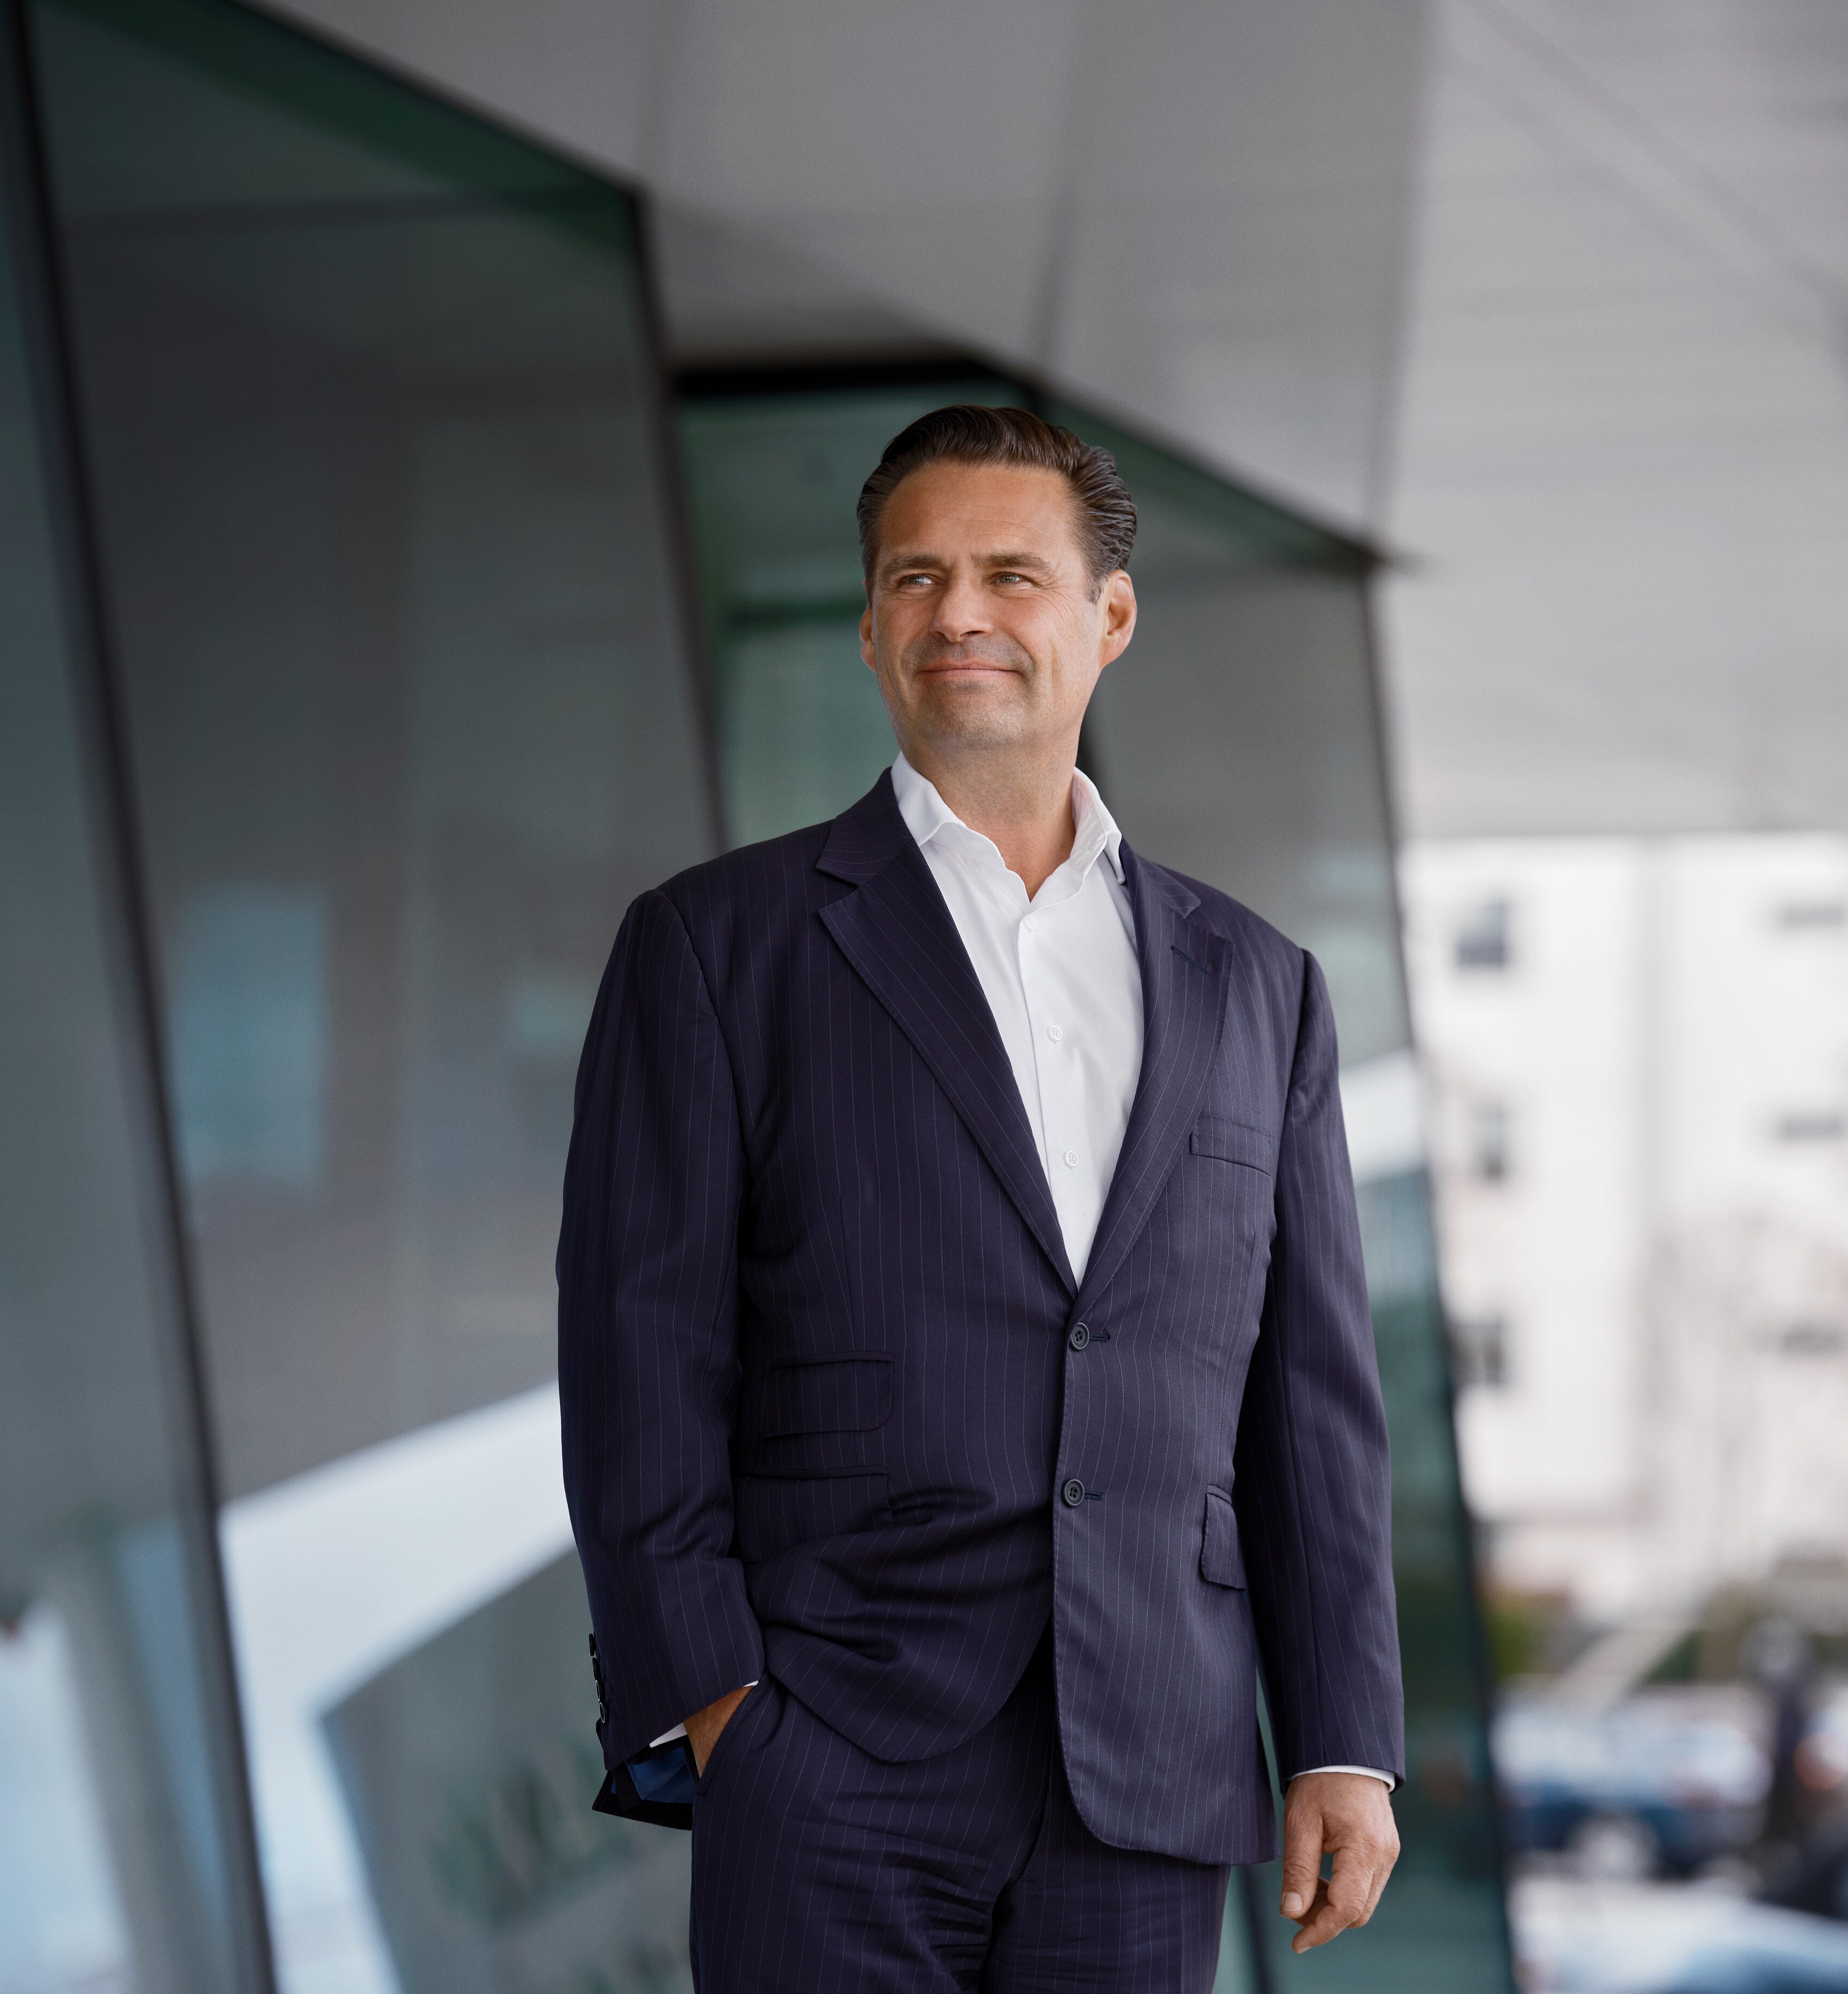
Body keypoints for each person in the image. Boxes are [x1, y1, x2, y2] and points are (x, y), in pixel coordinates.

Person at [558, 405, 1406, 1990]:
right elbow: (638, 1356)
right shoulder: (716, 946)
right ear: (872, 628)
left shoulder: (1259, 985)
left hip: (1152, 1770)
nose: (960, 613)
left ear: (1110, 617)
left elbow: (1311, 1404)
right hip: (832, 1749)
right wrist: (719, 1708)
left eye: (1011, 575)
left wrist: (1342, 1741)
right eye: (917, 577)